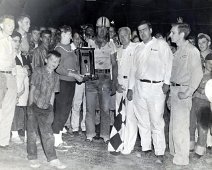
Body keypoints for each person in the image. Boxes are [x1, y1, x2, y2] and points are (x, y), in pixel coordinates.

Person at [127, 20, 173, 163]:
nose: (142, 33)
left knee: (156, 120)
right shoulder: (138, 48)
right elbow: (133, 70)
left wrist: (166, 83)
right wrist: (130, 88)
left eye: (144, 30)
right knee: (142, 119)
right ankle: (146, 148)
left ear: (151, 30)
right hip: (140, 87)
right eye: (139, 31)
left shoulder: (161, 44)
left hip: (156, 88)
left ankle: (159, 152)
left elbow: (169, 63)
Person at [169, 22, 203, 165]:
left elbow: (198, 74)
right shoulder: (177, 52)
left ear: (182, 34)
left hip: (183, 92)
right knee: (174, 127)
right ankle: (175, 154)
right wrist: (170, 96)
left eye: (173, 32)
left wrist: (188, 92)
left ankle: (182, 159)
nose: (170, 35)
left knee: (181, 127)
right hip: (175, 91)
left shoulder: (191, 51)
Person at [27, 50, 66, 169]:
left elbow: (53, 94)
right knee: (32, 134)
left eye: (57, 62)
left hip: (46, 108)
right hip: (34, 106)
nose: (54, 63)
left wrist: (51, 109)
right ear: (46, 60)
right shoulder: (38, 71)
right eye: (52, 60)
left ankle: (52, 159)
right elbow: (32, 89)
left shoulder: (56, 76)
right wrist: (29, 108)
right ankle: (32, 157)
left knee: (48, 135)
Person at [85, 16, 118, 143]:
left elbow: (114, 64)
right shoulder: (89, 43)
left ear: (108, 30)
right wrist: (86, 74)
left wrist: (114, 82)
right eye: (100, 28)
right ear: (96, 29)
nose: (102, 31)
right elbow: (85, 61)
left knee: (105, 109)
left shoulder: (112, 45)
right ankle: (90, 133)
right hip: (91, 78)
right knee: (90, 108)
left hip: (105, 78)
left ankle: (105, 135)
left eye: (105, 28)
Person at [108, 27, 139, 155]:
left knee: (131, 117)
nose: (122, 38)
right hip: (120, 85)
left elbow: (137, 70)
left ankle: (129, 145)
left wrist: (131, 88)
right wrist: (116, 84)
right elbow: (114, 69)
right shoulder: (118, 51)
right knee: (120, 116)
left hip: (131, 85)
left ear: (130, 35)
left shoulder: (136, 48)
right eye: (120, 36)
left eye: (125, 35)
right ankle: (118, 144)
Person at [52, 26, 83, 148]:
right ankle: (55, 139)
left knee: (66, 111)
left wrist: (79, 73)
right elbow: (58, 67)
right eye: (69, 34)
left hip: (71, 82)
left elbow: (75, 63)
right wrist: (74, 74)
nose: (71, 37)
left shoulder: (70, 48)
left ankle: (59, 138)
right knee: (60, 111)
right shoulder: (58, 49)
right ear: (63, 34)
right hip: (62, 82)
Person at [0, 15, 17, 148]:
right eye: (8, 24)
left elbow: (13, 62)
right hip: (0, 76)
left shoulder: (11, 41)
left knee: (9, 110)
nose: (11, 27)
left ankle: (3, 141)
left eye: (13, 25)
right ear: (1, 25)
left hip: (10, 76)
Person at [10, 31, 30, 144]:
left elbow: (29, 70)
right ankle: (14, 133)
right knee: (14, 108)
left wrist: (28, 69)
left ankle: (25, 132)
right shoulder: (8, 55)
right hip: (14, 84)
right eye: (15, 41)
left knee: (24, 107)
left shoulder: (23, 55)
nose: (17, 43)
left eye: (19, 41)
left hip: (24, 85)